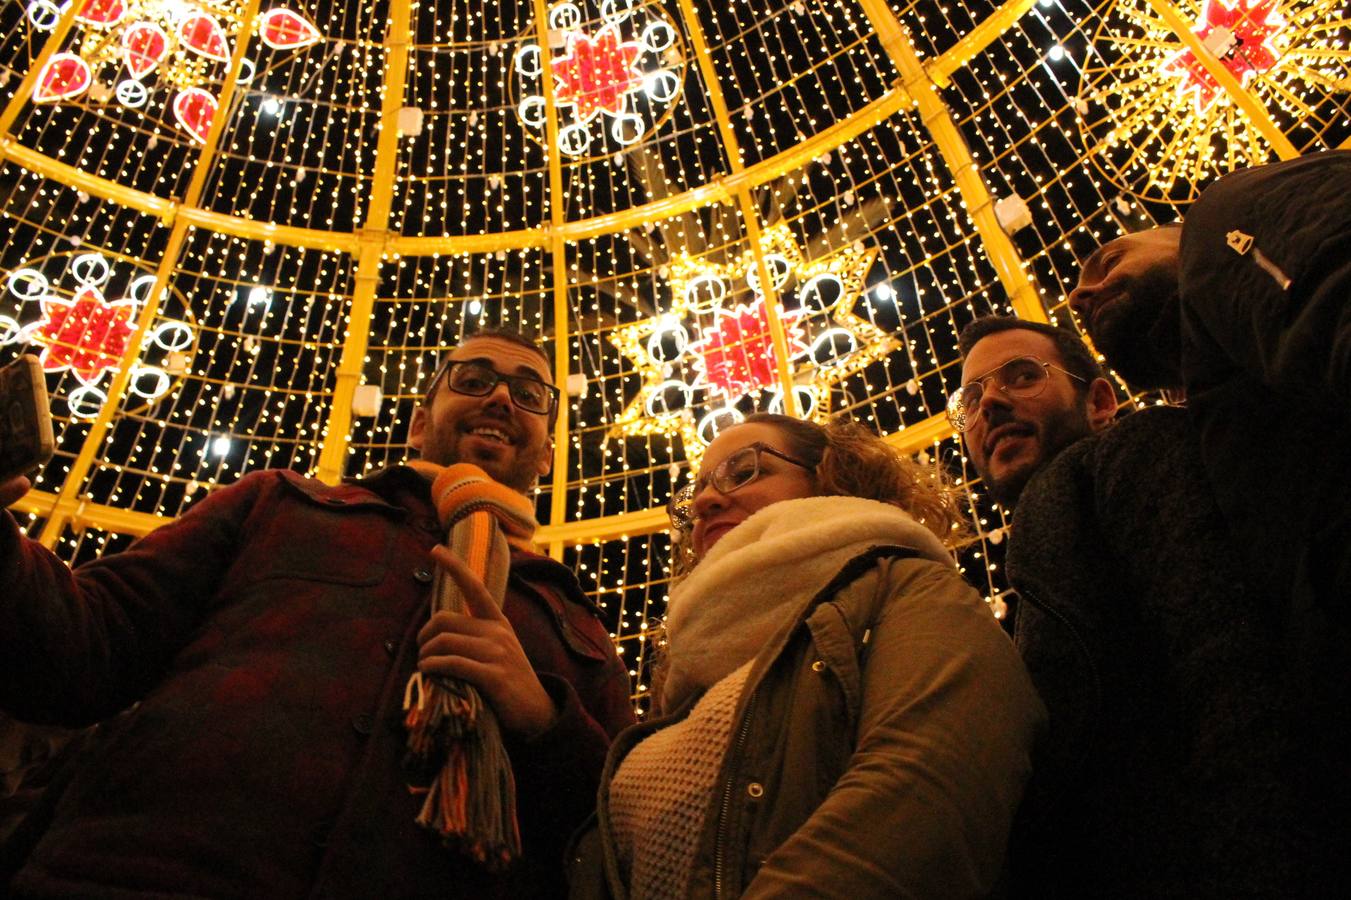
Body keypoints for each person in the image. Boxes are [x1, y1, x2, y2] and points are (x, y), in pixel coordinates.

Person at [0, 328, 635, 898]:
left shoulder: (573, 625)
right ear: (419, 423)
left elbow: (621, 835)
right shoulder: (279, 504)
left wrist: (547, 722)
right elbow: (86, 645)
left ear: (548, 454)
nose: (500, 398)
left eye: (528, 393)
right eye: (473, 380)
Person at [570, 413, 1045, 899]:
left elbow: (927, 792)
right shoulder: (686, 676)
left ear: (830, 478)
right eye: (694, 496)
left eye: (744, 471)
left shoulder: (905, 588)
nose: (707, 501)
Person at [1064, 149, 1351, 891]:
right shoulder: (1215, 407)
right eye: (1077, 297)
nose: (1080, 295)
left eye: (1104, 259)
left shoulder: (1221, 220)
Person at [955, 315, 1320, 897]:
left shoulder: (1131, 452)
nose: (989, 406)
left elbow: (1225, 652)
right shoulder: (1041, 554)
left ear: (1100, 400)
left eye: (1021, 376)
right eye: (969, 401)